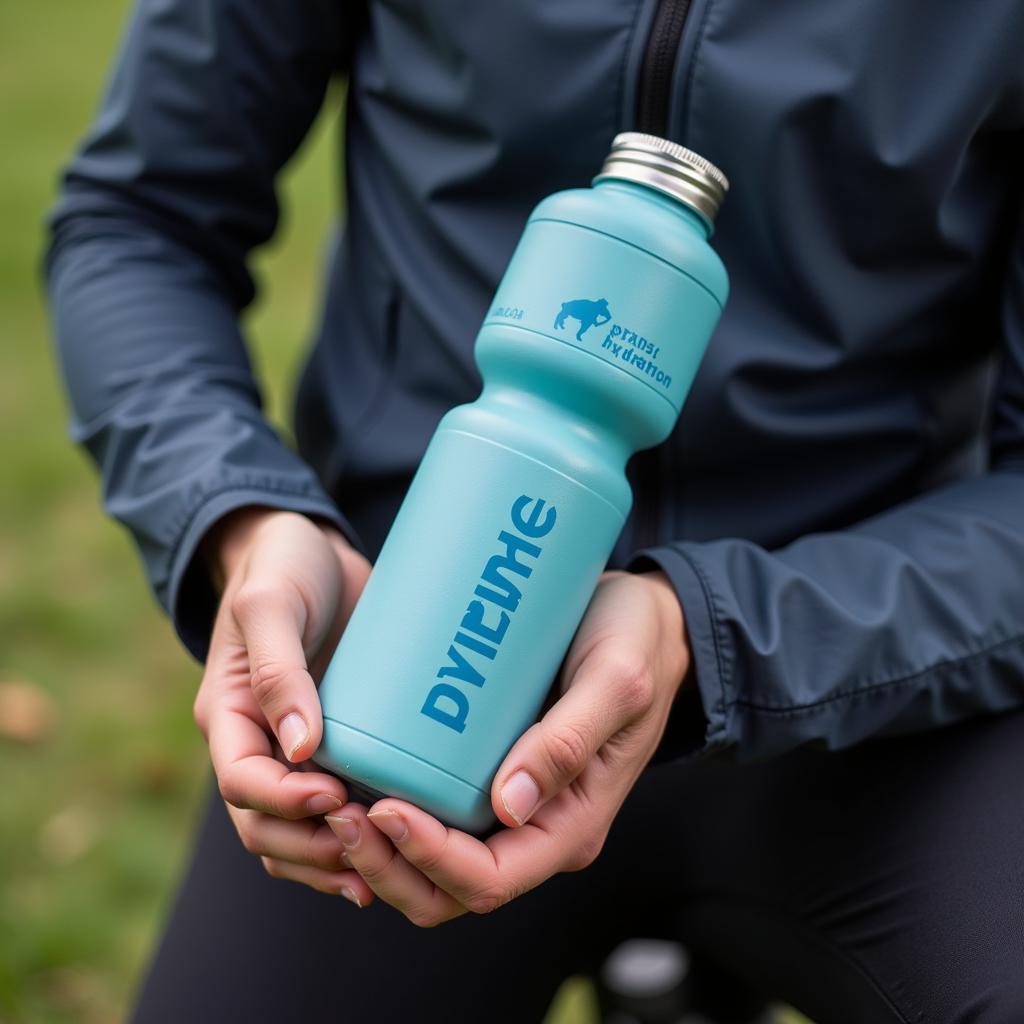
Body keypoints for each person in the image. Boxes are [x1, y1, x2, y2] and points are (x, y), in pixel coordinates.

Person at [45, 1, 1024, 1021]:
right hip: (397, 658)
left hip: (867, 688)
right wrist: (241, 520)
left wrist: (714, 632)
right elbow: (136, 221)